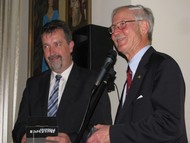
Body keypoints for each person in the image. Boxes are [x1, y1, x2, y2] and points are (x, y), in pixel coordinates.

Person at [86, 4, 188, 143]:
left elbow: (169, 125)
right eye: (113, 28)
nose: (115, 32)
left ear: (144, 27)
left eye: (122, 24)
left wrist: (112, 133)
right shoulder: (131, 77)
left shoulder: (163, 65)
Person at [12, 20, 112, 143]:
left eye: (57, 44)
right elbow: (19, 126)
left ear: (71, 46)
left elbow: (101, 130)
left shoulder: (93, 82)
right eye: (46, 46)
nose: (51, 52)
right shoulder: (33, 85)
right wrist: (23, 136)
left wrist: (71, 140)